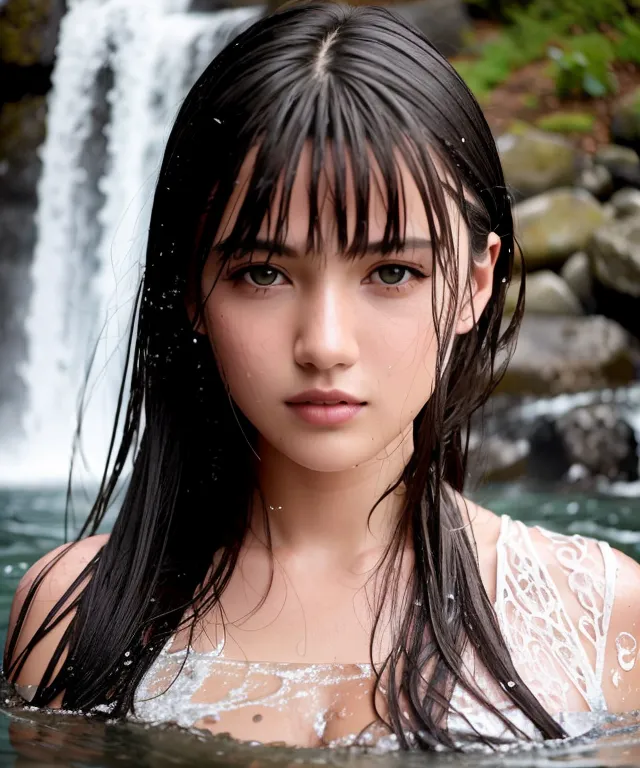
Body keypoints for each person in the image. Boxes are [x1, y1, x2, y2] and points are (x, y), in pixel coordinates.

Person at [4, 0, 640, 751]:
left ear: (475, 284)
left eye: (392, 271)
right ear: (190, 294)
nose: (325, 344)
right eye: (263, 273)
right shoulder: (73, 619)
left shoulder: (605, 617)